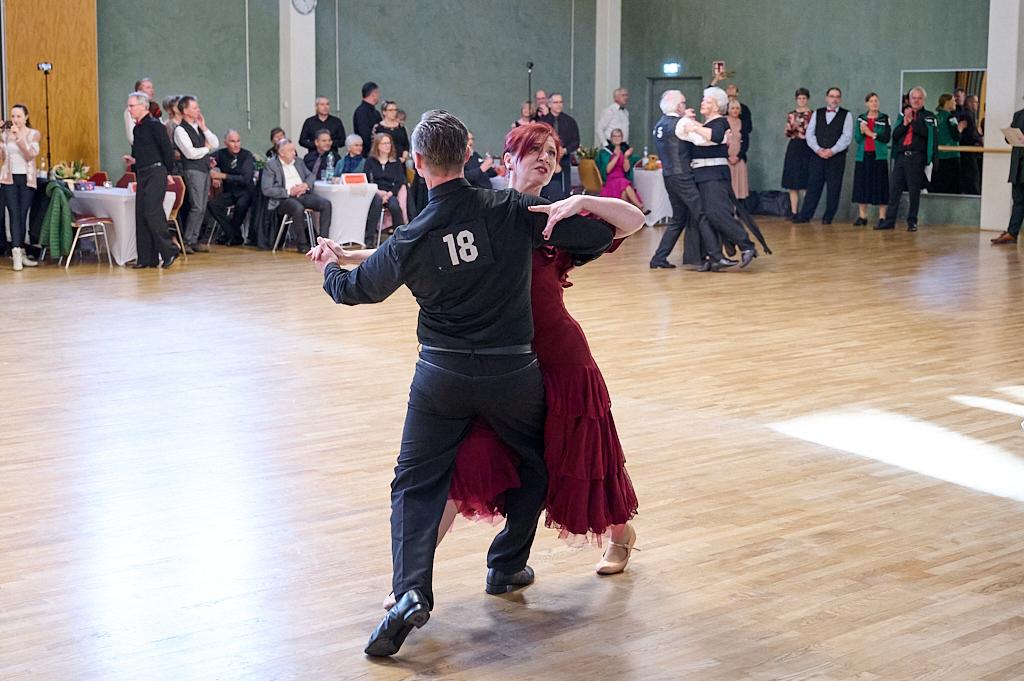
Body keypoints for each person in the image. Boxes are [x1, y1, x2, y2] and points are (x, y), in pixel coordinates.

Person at [307, 109, 620, 658]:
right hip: (512, 373)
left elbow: (356, 290)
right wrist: (582, 204)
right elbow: (599, 232)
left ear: (419, 162)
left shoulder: (411, 235)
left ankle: (409, 593)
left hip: (441, 375)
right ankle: (505, 564)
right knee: (537, 463)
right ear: (469, 156)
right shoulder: (509, 207)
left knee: (415, 483)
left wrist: (330, 268)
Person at [648, 89, 729, 270]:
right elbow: (701, 140)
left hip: (668, 176)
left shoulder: (659, 125)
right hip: (683, 175)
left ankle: (658, 258)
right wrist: (721, 137)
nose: (686, 106)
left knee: (678, 219)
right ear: (678, 106)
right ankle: (716, 256)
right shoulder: (681, 122)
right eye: (683, 103)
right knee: (702, 214)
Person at [678, 87, 758, 268]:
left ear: (716, 106)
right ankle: (711, 257)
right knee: (706, 216)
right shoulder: (705, 124)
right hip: (702, 175)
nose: (702, 103)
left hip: (714, 175)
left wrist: (694, 126)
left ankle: (746, 246)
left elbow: (715, 137)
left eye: (706, 101)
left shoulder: (720, 123)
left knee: (717, 213)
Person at [123, 92, 178, 269]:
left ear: (143, 106)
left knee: (153, 212)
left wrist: (168, 171)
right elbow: (142, 152)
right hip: (143, 172)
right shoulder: (137, 128)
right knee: (141, 214)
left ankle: (169, 251)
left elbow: (167, 150)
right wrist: (134, 161)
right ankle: (146, 258)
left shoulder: (155, 125)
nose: (129, 109)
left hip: (156, 172)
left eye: (131, 106)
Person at [877, 87, 936, 232]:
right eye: (913, 98)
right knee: (894, 189)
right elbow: (895, 135)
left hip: (916, 157)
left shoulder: (929, 116)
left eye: (919, 98)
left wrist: (912, 121)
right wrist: (904, 123)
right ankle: (889, 221)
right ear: (909, 100)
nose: (916, 100)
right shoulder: (902, 115)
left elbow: (926, 134)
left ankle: (912, 221)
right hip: (901, 156)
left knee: (914, 191)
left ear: (923, 100)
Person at [792, 87, 853, 225]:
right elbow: (810, 133)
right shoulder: (817, 113)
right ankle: (805, 215)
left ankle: (828, 217)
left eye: (837, 96)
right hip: (817, 156)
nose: (834, 99)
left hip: (836, 157)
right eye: (832, 96)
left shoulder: (846, 115)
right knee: (813, 186)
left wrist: (832, 150)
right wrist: (818, 149)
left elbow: (846, 137)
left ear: (840, 99)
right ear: (826, 98)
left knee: (834, 188)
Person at [260, 138, 332, 250]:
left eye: (294, 150)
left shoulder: (298, 161)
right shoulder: (271, 165)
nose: (294, 153)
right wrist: (289, 191)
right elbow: (267, 189)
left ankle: (323, 242)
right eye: (291, 151)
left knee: (326, 204)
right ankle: (302, 244)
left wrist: (305, 185)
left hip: (302, 194)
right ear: (281, 153)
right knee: (297, 208)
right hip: (283, 199)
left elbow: (311, 176)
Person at [173, 95, 219, 253]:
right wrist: (206, 149)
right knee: (197, 206)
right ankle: (187, 240)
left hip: (204, 169)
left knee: (202, 206)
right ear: (185, 111)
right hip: (193, 170)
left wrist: (204, 128)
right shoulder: (180, 130)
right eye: (194, 107)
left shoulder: (198, 128)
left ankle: (194, 239)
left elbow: (215, 143)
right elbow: (190, 153)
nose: (198, 109)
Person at [0, 104, 41, 270]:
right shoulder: (5, 134)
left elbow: (31, 154)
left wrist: (18, 138)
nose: (15, 119)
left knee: (23, 215)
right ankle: (16, 253)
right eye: (13, 116)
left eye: (18, 116)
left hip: (26, 178)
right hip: (9, 178)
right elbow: (2, 157)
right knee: (14, 213)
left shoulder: (33, 134)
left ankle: (21, 251)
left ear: (26, 117)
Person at [208, 129, 256, 246]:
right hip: (229, 192)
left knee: (241, 204)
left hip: (246, 192)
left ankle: (229, 235)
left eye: (238, 141)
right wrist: (213, 173)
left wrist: (222, 176)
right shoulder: (221, 154)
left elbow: (245, 179)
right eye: (232, 141)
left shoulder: (247, 155)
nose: (236, 144)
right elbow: (206, 162)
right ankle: (234, 235)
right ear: (226, 143)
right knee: (212, 204)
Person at [851, 92, 892, 226]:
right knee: (862, 185)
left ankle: (882, 217)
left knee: (880, 185)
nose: (874, 103)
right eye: (872, 101)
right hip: (863, 156)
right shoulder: (860, 119)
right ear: (866, 103)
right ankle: (863, 217)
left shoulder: (884, 118)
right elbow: (857, 138)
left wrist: (870, 133)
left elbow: (886, 138)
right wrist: (864, 133)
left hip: (879, 156)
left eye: (876, 101)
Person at [991, 102, 1024, 244]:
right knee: (1018, 200)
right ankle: (1012, 232)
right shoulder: (1019, 114)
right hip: (1018, 165)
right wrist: (1009, 134)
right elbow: (1009, 138)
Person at [536, 92, 580, 199]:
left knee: (565, 189)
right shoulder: (543, 122)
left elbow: (576, 141)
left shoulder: (570, 121)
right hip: (547, 159)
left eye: (561, 102)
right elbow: (538, 140)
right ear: (549, 104)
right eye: (555, 102)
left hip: (564, 159)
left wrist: (565, 150)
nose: (559, 105)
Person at [365, 132, 408, 231]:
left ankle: (400, 236)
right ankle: (370, 238)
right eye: (384, 143)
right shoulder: (370, 161)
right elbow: (367, 179)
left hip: (390, 192)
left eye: (389, 143)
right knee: (376, 203)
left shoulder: (396, 161)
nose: (387, 146)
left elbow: (400, 180)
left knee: (394, 205)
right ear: (377, 146)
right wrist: (379, 193)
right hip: (375, 192)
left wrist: (389, 194)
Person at [782, 88, 814, 215]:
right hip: (794, 147)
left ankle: (805, 212)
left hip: (807, 147)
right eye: (799, 98)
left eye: (804, 98)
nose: (802, 100)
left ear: (807, 99)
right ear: (796, 99)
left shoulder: (813, 114)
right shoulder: (791, 114)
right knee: (793, 181)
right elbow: (787, 132)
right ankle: (794, 212)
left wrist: (800, 129)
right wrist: (792, 128)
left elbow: (812, 131)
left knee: (806, 180)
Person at [597, 128, 645, 211]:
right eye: (614, 136)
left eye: (619, 136)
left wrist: (626, 157)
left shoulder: (625, 149)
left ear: (622, 138)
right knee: (624, 183)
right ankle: (639, 206)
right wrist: (616, 156)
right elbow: (607, 170)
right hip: (610, 179)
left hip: (621, 178)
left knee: (624, 191)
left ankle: (624, 217)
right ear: (611, 138)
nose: (617, 138)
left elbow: (626, 170)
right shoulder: (605, 151)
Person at [930, 93, 963, 195]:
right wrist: (961, 127)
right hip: (951, 156)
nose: (955, 103)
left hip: (937, 157)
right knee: (952, 188)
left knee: (938, 187)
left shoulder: (935, 118)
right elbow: (956, 136)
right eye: (953, 100)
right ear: (947, 103)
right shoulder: (951, 118)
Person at [123, 78, 160, 145]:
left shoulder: (155, 108)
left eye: (152, 88)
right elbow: (132, 138)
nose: (152, 90)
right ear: (139, 91)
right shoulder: (131, 110)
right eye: (148, 88)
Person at [727, 100, 750, 203]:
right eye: (732, 108)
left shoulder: (743, 123)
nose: (735, 110)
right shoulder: (723, 122)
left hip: (739, 159)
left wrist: (738, 156)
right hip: (726, 159)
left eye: (737, 108)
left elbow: (746, 142)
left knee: (739, 188)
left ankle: (738, 212)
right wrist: (728, 156)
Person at [960, 94, 984, 194]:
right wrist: (981, 140)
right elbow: (971, 133)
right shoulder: (968, 114)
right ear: (970, 102)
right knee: (973, 174)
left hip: (968, 147)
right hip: (967, 149)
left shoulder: (967, 114)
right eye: (976, 102)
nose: (977, 104)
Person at [353, 82, 382, 157]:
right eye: (377, 93)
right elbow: (364, 134)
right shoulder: (361, 112)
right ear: (373, 94)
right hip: (367, 154)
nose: (378, 96)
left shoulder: (375, 112)